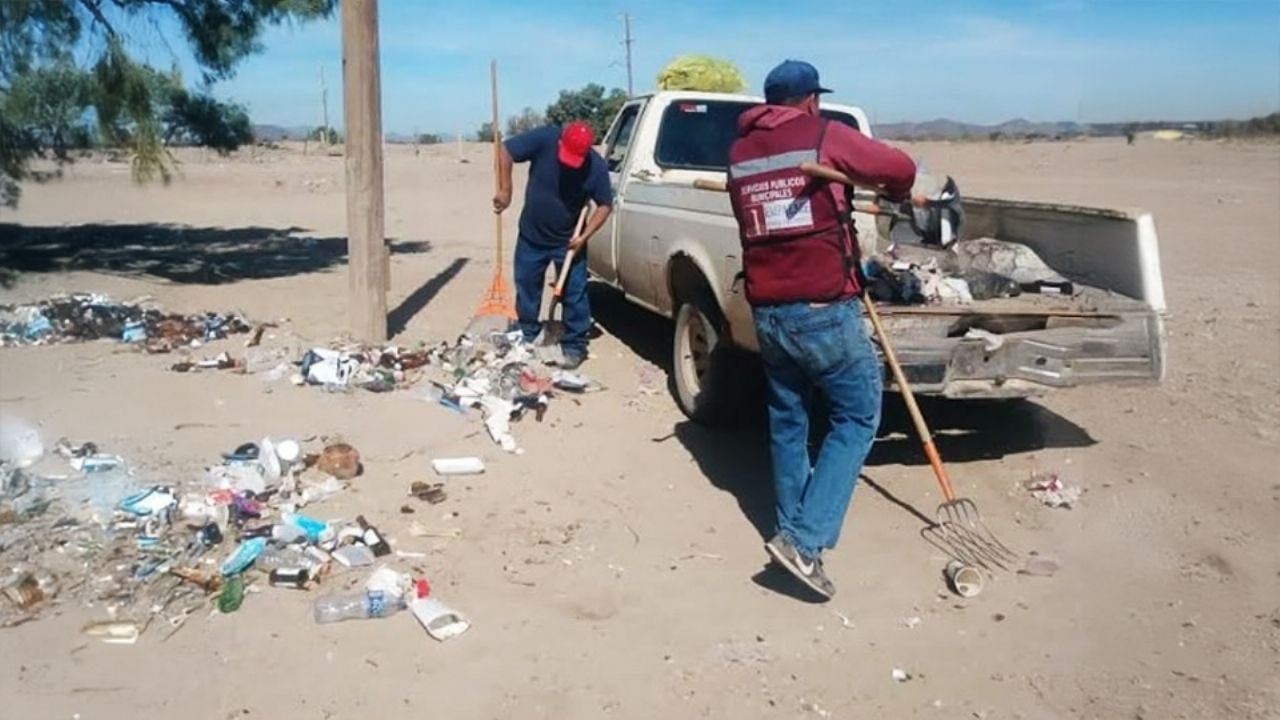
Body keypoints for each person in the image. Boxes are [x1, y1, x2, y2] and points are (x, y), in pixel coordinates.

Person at [726, 60, 917, 599]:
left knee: (789, 421)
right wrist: (896, 190)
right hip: (821, 306)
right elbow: (898, 167)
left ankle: (790, 534)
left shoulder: (738, 152)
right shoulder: (822, 135)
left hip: (768, 306)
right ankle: (805, 543)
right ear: (810, 100)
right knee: (856, 415)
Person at [493, 121, 613, 368]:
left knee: (574, 293)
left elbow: (604, 205)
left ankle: (574, 345)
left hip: (568, 242)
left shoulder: (596, 167)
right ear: (560, 141)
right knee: (527, 285)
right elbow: (506, 150)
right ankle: (527, 331)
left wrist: (584, 237)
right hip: (531, 234)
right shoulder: (546, 138)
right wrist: (506, 190)